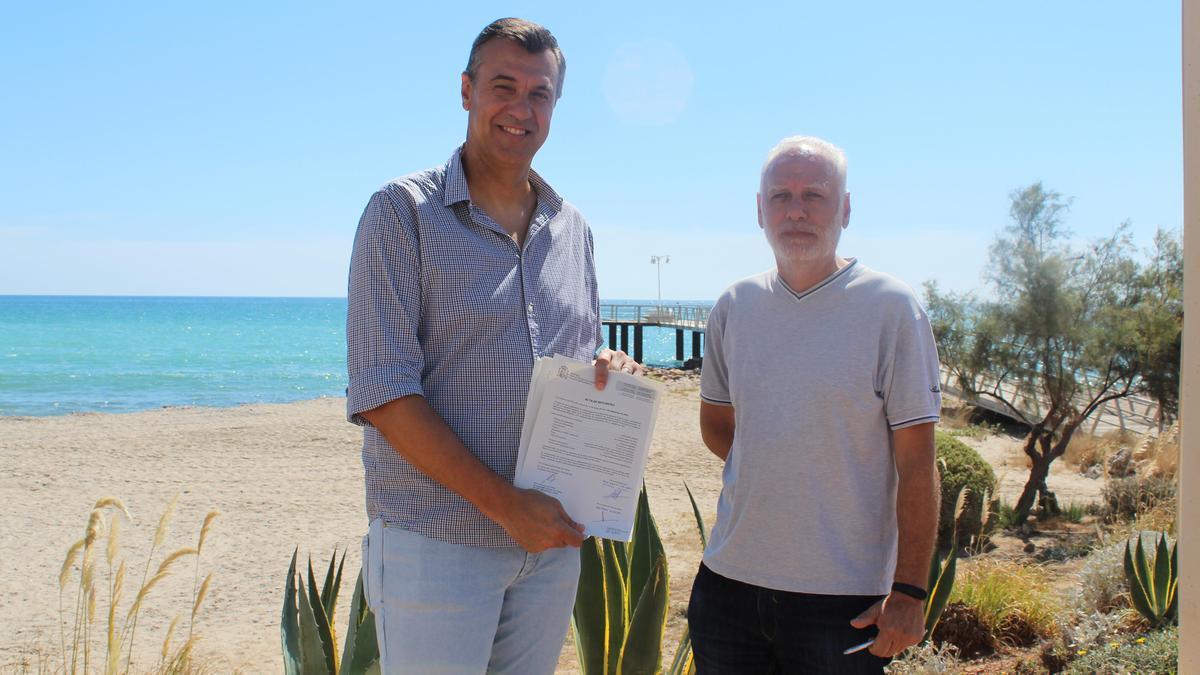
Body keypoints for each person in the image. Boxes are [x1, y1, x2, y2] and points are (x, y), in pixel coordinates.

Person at [345, 18, 640, 674]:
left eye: (540, 94)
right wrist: (508, 508)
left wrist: (609, 369)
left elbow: (581, 357)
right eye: (503, 85)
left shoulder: (574, 230)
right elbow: (384, 392)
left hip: (551, 547)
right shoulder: (400, 213)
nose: (521, 107)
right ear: (466, 90)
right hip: (436, 541)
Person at [687, 136, 942, 673]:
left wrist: (912, 592)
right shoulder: (734, 306)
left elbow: (918, 463)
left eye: (814, 195)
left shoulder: (892, 309)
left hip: (844, 603)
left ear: (845, 208)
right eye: (780, 196)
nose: (796, 210)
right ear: (759, 210)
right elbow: (716, 426)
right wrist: (783, 459)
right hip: (728, 588)